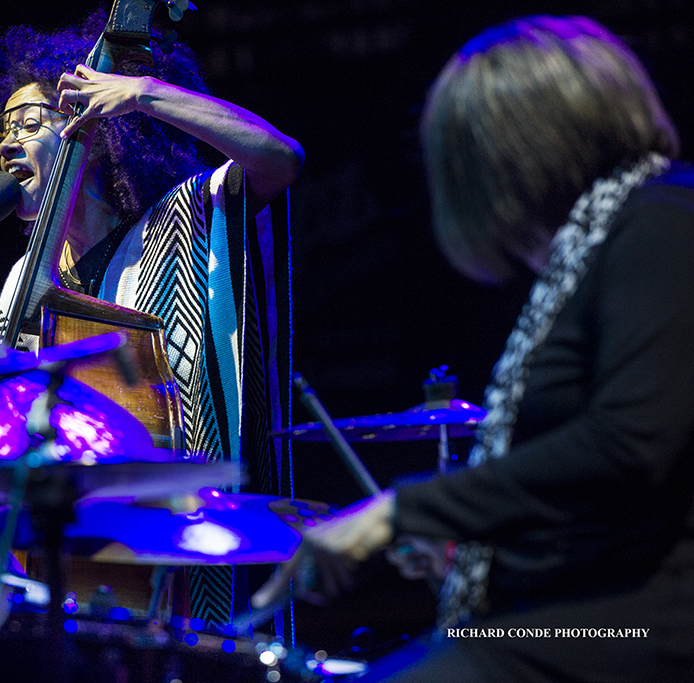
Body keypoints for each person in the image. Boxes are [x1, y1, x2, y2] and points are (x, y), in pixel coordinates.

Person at [253, 15, 694, 681]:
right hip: (588, 606)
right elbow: (601, 494)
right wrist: (468, 545)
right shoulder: (601, 249)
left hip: (644, 618)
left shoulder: (662, 220)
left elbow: (631, 442)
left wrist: (402, 510)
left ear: (511, 157)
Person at [0, 11, 304, 624]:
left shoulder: (185, 221)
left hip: (192, 563)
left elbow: (279, 160)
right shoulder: (23, 280)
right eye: (1, 129)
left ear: (96, 131)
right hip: (63, 573)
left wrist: (145, 95)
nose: (6, 143)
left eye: (28, 122)